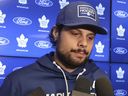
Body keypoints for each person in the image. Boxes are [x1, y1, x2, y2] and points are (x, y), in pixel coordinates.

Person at [0, 1, 113, 96]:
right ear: (56, 33)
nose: (84, 43)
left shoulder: (101, 80)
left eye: (90, 37)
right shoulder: (19, 81)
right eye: (75, 34)